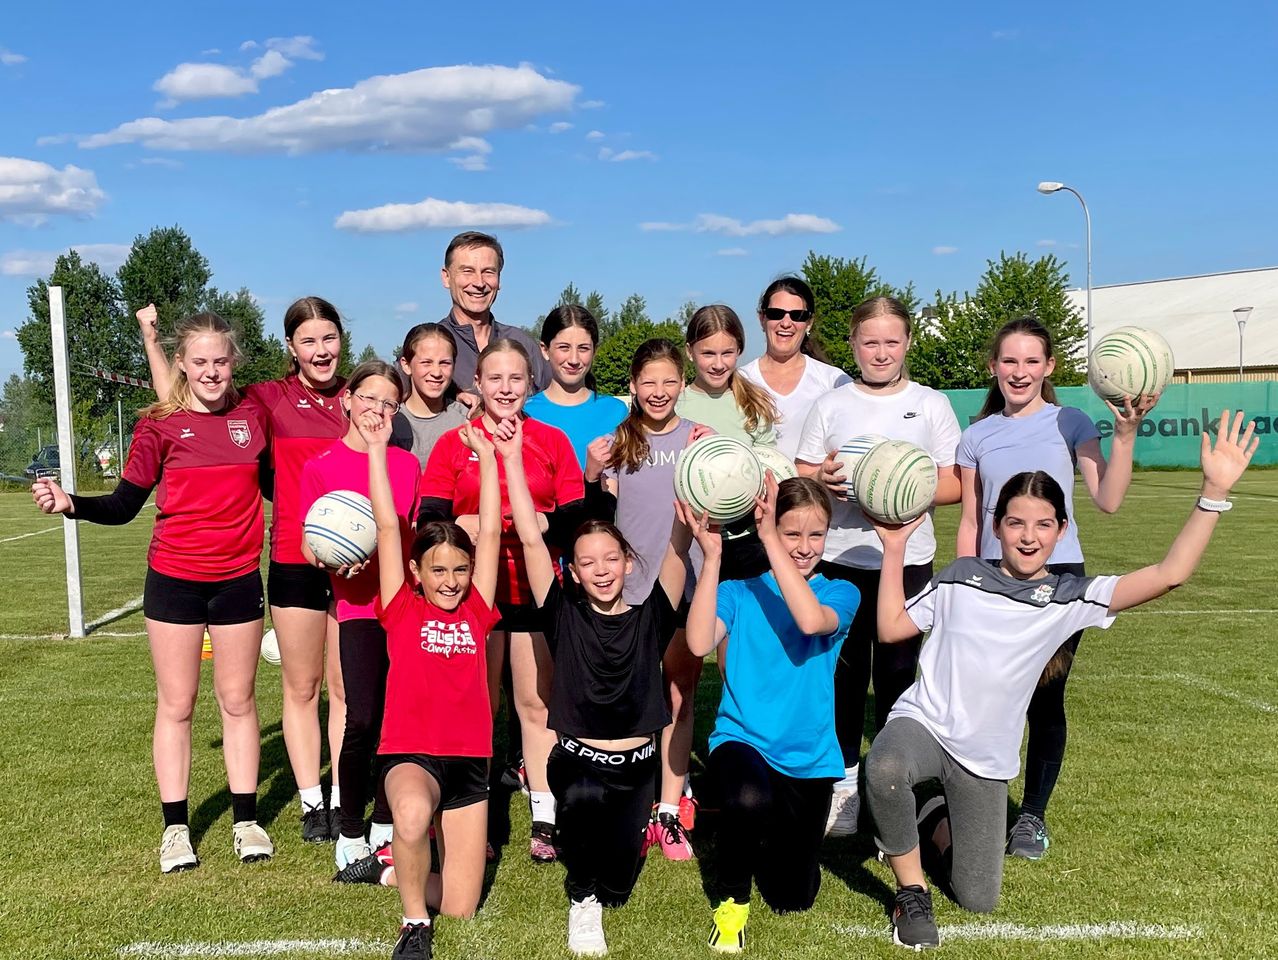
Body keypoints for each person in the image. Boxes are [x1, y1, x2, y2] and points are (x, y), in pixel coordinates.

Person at [865, 412, 1257, 950]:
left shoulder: (1072, 599)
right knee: (885, 767)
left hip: (985, 757)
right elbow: (890, 628)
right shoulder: (961, 577)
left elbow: (1170, 574)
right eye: (1016, 523)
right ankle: (910, 892)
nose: (1028, 537)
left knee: (978, 896)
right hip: (926, 725)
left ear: (1062, 530)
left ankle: (931, 811)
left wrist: (1212, 493)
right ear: (996, 524)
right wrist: (892, 550)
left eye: (1043, 524)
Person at [36, 312, 274, 873]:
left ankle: (246, 820)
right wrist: (72, 502)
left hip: (239, 579)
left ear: (233, 361)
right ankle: (175, 830)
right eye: (200, 362)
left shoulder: (252, 418)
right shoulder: (159, 426)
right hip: (174, 580)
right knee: (178, 704)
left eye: (221, 361)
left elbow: (279, 487)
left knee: (238, 702)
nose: (212, 372)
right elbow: (122, 505)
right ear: (183, 365)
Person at [139, 295, 351, 843]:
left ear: (342, 341)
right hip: (289, 560)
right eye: (308, 340)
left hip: (358, 564)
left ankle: (348, 796)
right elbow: (178, 404)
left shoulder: (359, 396)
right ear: (291, 348)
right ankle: (311, 803)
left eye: (329, 338)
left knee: (345, 687)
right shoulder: (262, 400)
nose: (321, 349)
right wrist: (150, 341)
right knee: (299, 688)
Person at [955, 316, 1157, 859]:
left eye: (1031, 362)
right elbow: (972, 518)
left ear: (1048, 367)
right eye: (1009, 361)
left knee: (1044, 700)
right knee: (982, 701)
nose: (1019, 372)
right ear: (993, 367)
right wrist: (962, 583)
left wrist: (1125, 433)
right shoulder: (976, 435)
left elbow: (1109, 499)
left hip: (1059, 579)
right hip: (993, 579)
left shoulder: (1071, 421)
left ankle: (1031, 818)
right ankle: (976, 805)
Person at [507, 414, 692, 957]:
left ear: (628, 561)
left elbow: (678, 554)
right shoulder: (561, 614)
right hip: (578, 766)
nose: (602, 569)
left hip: (637, 773)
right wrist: (514, 458)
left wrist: (692, 484)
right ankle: (578, 899)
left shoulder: (650, 617)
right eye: (588, 562)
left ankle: (602, 879)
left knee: (619, 885)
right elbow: (531, 540)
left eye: (611, 558)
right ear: (576, 571)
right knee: (589, 858)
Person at [794, 295, 961, 837]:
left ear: (907, 343)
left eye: (892, 341)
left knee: (896, 676)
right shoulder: (832, 405)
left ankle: (893, 783)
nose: (881, 352)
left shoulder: (931, 403)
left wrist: (903, 489)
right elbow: (803, 473)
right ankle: (843, 785)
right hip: (842, 557)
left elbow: (954, 481)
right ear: (853, 346)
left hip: (908, 559)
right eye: (870, 342)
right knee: (842, 675)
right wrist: (825, 477)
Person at [418, 338, 585, 862]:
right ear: (478, 385)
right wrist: (470, 524)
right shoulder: (454, 443)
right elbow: (430, 520)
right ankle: (479, 816)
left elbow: (578, 520)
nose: (506, 388)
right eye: (495, 379)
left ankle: (545, 817)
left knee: (535, 704)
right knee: (480, 707)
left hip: (536, 589)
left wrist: (545, 522)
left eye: (516, 379)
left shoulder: (552, 440)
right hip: (472, 594)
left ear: (530, 384)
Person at [348, 404, 501, 960]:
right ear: (417, 572)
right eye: (438, 570)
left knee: (461, 904)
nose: (451, 581)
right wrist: (374, 450)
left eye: (459, 570)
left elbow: (487, 536)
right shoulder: (400, 607)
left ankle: (391, 869)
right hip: (409, 753)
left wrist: (486, 462)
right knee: (411, 816)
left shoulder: (479, 611)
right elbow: (389, 526)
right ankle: (414, 924)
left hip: (469, 760)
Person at [685, 475, 860, 953]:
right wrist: (713, 558)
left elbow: (809, 620)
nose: (804, 547)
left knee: (792, 898)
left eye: (815, 534)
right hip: (743, 743)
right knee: (747, 798)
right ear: (770, 529)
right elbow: (699, 643)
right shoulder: (740, 592)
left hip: (809, 759)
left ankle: (757, 838)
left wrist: (769, 542)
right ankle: (732, 902)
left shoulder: (841, 592)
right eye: (791, 533)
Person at [300, 361, 421, 870]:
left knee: (400, 720)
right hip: (356, 607)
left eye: (389, 403)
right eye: (369, 398)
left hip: (403, 607)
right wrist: (332, 556)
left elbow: (409, 535)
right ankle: (350, 829)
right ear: (347, 399)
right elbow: (308, 544)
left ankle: (384, 820)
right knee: (363, 717)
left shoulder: (406, 465)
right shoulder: (320, 465)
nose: (377, 409)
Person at [593, 339, 711, 861]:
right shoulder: (619, 441)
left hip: (688, 585)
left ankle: (669, 809)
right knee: (632, 699)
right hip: (632, 589)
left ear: (683, 385)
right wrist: (592, 472)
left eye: (669, 382)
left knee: (680, 693)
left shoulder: (700, 440)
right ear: (633, 387)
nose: (659, 392)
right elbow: (598, 507)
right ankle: (634, 800)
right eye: (649, 382)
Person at [676, 304, 778, 583]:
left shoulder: (754, 403)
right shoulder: (675, 404)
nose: (718, 363)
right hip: (691, 539)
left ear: (740, 352)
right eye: (708, 353)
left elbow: (772, 467)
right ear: (689, 352)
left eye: (727, 353)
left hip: (747, 541)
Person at [738, 276, 851, 460]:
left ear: (809, 322)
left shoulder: (834, 381)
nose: (786, 323)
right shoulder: (739, 380)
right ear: (762, 318)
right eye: (776, 313)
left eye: (797, 315)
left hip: (812, 489)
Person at [436, 231, 550, 397]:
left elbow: (550, 403)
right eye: (467, 271)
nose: (479, 283)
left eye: (488, 272)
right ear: (446, 277)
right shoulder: (429, 346)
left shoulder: (523, 344)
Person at [525, 305, 628, 470]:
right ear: (545, 350)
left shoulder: (616, 412)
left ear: (595, 351)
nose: (574, 359)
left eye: (583, 348)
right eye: (564, 347)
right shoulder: (525, 413)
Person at [389, 323, 471, 469]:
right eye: (426, 363)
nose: (437, 372)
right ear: (406, 365)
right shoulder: (391, 421)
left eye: (445, 363)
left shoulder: (466, 420)